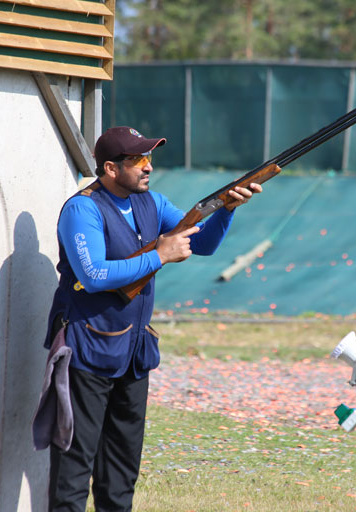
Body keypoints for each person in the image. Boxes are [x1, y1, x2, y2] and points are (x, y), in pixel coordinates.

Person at [42, 126, 261, 511]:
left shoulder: (153, 203)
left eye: (149, 159)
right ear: (110, 168)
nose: (148, 167)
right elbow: (92, 276)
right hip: (88, 351)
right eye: (138, 160)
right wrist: (159, 255)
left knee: (121, 472)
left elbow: (203, 242)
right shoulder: (83, 209)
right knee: (74, 468)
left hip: (133, 352)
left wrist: (227, 208)